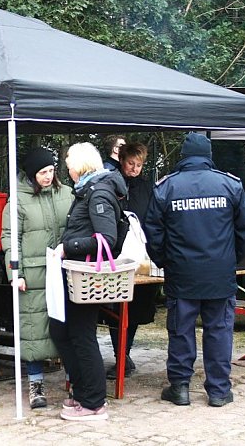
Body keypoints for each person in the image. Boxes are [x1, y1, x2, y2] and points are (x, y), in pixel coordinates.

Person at [144, 132, 245, 408]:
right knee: (219, 330)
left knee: (181, 330)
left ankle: (180, 387)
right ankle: (218, 390)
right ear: (209, 155)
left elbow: (153, 233)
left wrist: (165, 261)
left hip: (181, 273)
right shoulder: (229, 185)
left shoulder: (167, 187)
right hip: (219, 272)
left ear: (183, 156)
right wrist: (230, 259)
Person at [51, 142, 127, 421]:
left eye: (69, 164)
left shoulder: (98, 193)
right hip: (75, 273)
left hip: (86, 276)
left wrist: (68, 246)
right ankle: (83, 392)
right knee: (61, 331)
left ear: (79, 166)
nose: (67, 169)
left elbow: (107, 238)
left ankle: (94, 402)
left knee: (82, 336)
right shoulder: (88, 189)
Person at [1, 147, 73, 409]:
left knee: (69, 327)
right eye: (42, 172)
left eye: (51, 171)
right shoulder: (18, 200)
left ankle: (74, 379)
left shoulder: (67, 193)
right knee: (34, 330)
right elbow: (10, 237)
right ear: (32, 174)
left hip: (64, 270)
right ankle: (36, 384)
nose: (48, 176)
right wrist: (15, 273)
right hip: (33, 274)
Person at [104, 141, 159, 379]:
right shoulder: (110, 185)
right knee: (114, 306)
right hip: (115, 254)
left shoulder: (147, 188)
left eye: (139, 165)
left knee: (135, 307)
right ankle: (121, 355)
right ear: (122, 161)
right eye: (130, 164)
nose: (134, 168)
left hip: (140, 254)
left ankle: (124, 354)